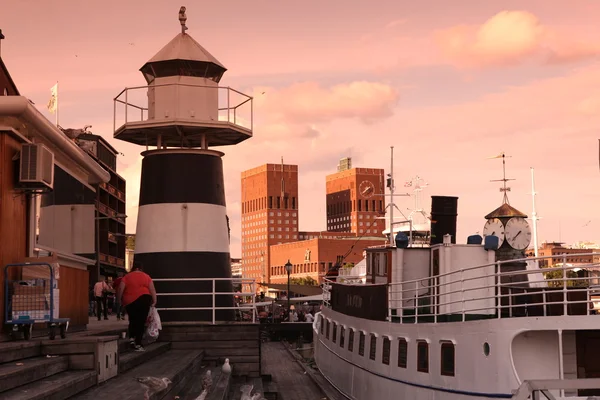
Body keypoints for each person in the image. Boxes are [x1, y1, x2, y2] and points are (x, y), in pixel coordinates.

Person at [117, 260, 157, 352]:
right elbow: (152, 289)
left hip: (130, 301)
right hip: (144, 299)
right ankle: (138, 343)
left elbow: (120, 288)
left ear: (133, 268)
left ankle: (131, 338)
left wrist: (119, 300)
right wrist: (154, 300)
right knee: (141, 321)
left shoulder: (126, 277)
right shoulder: (147, 276)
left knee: (133, 319)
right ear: (141, 268)